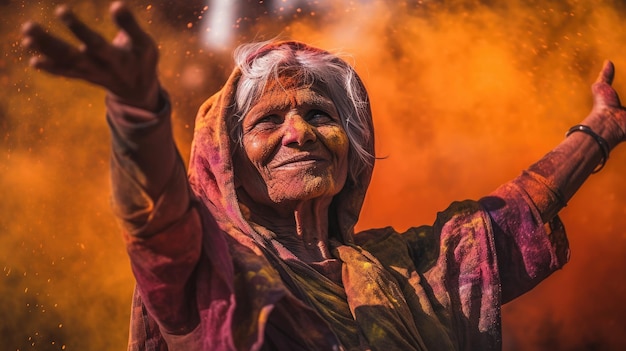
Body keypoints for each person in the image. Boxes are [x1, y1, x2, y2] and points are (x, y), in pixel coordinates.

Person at [20, 2, 626, 350]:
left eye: (319, 115)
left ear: (352, 150)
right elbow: (155, 220)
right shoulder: (206, 268)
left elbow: (507, 217)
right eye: (268, 121)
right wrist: (136, 110)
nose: (300, 134)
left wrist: (600, 128)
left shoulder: (404, 268)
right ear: (227, 159)